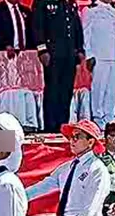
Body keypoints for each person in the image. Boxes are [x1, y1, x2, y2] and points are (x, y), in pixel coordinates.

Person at [32, 0, 84, 133]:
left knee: (66, 91)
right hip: (53, 53)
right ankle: (51, 126)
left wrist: (79, 49)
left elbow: (76, 26)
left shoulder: (69, 3)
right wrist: (42, 49)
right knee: (53, 90)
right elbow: (38, 26)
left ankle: (62, 125)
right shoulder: (42, 2)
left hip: (69, 53)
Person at [83, 0, 115, 129]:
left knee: (113, 89)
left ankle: (109, 117)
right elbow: (86, 33)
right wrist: (89, 54)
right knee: (99, 89)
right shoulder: (91, 11)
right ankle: (98, 119)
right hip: (100, 55)